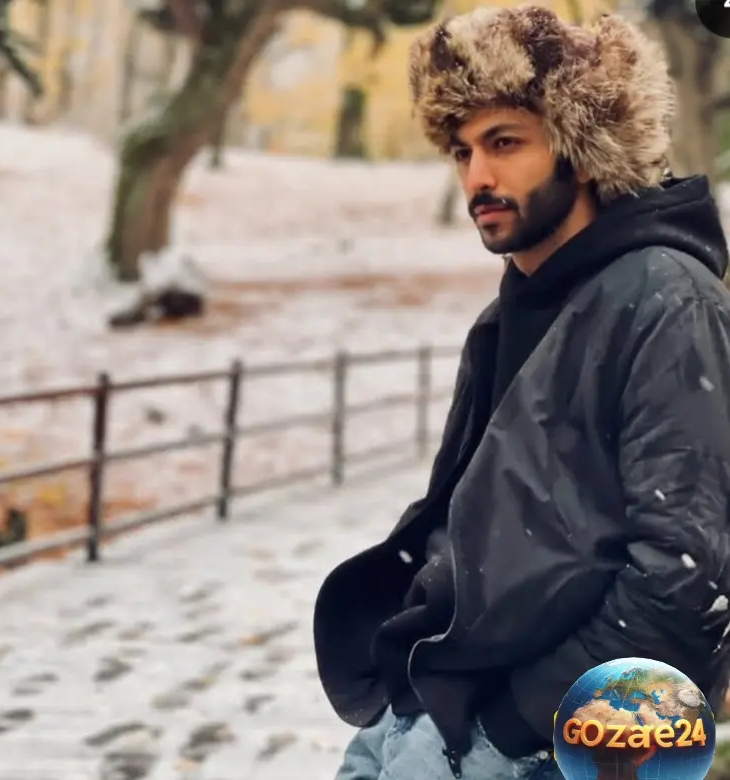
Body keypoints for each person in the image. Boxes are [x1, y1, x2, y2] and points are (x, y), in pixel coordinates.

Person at [312, 7, 730, 780]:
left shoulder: (666, 300)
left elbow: (684, 580)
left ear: (582, 147)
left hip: (538, 737)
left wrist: (507, 728)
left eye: (504, 143)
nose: (477, 176)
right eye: (461, 150)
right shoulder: (506, 316)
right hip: (430, 705)